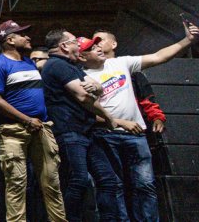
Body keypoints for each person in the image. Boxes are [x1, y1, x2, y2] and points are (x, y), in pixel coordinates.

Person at [81, 24, 199, 222]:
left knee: (145, 185)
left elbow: (158, 57)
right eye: (93, 47)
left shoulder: (120, 63)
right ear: (82, 56)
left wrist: (187, 41)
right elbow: (82, 114)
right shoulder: (80, 77)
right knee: (114, 186)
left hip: (135, 134)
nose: (98, 47)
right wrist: (115, 122)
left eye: (100, 44)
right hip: (104, 135)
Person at [41, 29, 137, 222]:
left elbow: (97, 87)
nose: (78, 45)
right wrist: (109, 117)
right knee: (78, 180)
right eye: (75, 41)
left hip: (85, 131)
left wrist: (98, 87)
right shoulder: (57, 65)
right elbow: (83, 95)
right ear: (64, 46)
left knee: (107, 180)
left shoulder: (72, 67)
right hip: (70, 131)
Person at [0, 21, 66, 222]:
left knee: (52, 182)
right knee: (17, 184)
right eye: (22, 34)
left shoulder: (28, 62)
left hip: (40, 128)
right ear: (10, 40)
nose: (28, 37)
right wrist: (27, 119)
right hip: (13, 131)